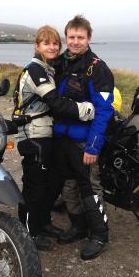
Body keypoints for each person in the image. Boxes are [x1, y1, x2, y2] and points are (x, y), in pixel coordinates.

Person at [13, 25, 95, 251]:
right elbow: (55, 102)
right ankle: (28, 232)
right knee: (34, 185)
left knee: (51, 183)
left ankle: (42, 222)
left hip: (46, 134)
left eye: (55, 43)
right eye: (46, 43)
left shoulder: (48, 69)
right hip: (33, 135)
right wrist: (86, 110)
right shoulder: (36, 70)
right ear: (37, 46)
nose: (52, 47)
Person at [45, 15, 115, 260]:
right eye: (71, 37)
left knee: (89, 187)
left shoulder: (97, 68)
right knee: (68, 187)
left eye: (80, 37)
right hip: (61, 138)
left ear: (89, 38)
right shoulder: (60, 62)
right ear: (66, 38)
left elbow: (105, 110)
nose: (75, 42)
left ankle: (99, 234)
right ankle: (78, 226)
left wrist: (94, 147)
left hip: (84, 141)